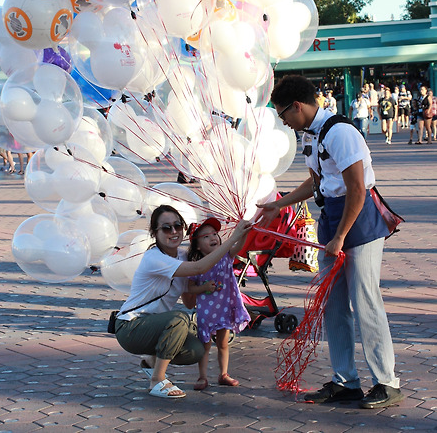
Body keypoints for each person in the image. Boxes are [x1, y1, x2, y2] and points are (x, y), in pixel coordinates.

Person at [255, 75, 403, 409]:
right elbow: (317, 182)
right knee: (333, 305)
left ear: (298, 106)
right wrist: (280, 202)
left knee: (365, 301)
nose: (283, 122)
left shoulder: (340, 132)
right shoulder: (312, 135)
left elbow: (357, 187)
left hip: (359, 222)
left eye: (283, 116)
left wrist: (340, 237)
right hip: (333, 220)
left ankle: (387, 382)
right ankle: (345, 380)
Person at [114, 204, 252, 399]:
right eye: (166, 228)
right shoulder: (154, 258)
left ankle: (150, 361)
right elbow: (198, 268)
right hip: (130, 327)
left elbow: (189, 301)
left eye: (178, 225)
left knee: (194, 350)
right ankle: (157, 380)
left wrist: (208, 289)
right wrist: (233, 237)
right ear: (155, 232)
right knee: (180, 319)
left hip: (153, 326)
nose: (173, 231)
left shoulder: (182, 256)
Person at [186, 217, 250, 391]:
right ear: (197, 246)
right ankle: (202, 376)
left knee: (223, 343)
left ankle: (224, 374)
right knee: (204, 344)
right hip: (206, 311)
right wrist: (204, 287)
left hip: (225, 307)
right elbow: (191, 287)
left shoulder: (226, 257)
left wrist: (243, 232)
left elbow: (238, 247)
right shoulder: (197, 265)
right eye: (206, 236)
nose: (213, 238)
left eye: (214, 234)